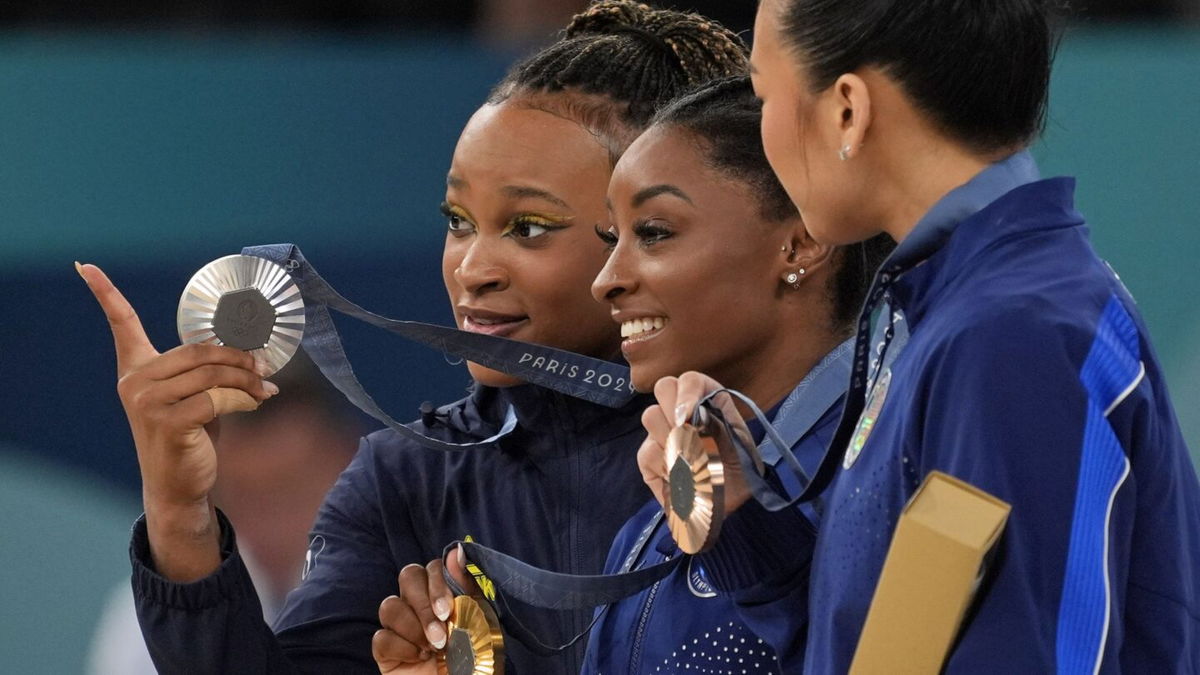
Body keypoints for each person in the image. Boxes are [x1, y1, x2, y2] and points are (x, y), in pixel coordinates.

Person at [76, 2, 749, 673]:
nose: (472, 269)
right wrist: (178, 513)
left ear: (653, 229)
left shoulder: (772, 440)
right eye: (459, 220)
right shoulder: (406, 483)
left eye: (528, 226)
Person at [639, 0, 1200, 672]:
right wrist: (746, 525)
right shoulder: (964, 312)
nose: (767, 132)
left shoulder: (1014, 334)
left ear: (847, 107)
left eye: (765, 97)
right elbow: (906, 646)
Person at [581, 76, 891, 674]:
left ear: (800, 245)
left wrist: (751, 534)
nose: (606, 280)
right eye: (611, 239)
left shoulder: (888, 472)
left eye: (653, 233)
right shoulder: (646, 533)